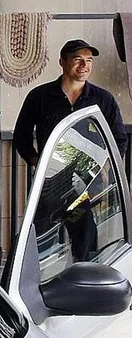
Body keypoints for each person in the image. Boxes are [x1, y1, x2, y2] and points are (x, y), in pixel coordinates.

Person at [13, 39, 128, 262]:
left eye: (88, 61)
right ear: (62, 62)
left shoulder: (102, 100)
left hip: (83, 189)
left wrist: (105, 167)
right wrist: (37, 161)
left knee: (85, 236)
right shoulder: (40, 97)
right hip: (49, 186)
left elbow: (119, 140)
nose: (84, 66)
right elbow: (21, 135)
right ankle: (27, 288)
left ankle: (84, 284)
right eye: (77, 60)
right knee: (37, 236)